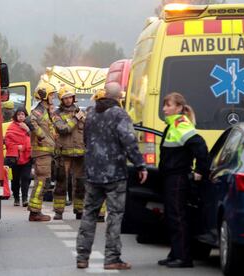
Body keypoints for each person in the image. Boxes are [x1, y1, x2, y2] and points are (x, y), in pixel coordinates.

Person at [76, 83, 147, 270]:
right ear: (119, 97)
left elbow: (85, 140)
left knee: (89, 214)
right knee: (114, 216)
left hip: (92, 173)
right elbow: (129, 140)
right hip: (115, 173)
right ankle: (112, 258)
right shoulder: (119, 114)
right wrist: (140, 164)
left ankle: (82, 257)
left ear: (105, 94)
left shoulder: (91, 113)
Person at [157, 92, 209, 268]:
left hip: (178, 178)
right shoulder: (172, 125)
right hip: (171, 177)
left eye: (168, 105)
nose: (164, 108)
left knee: (178, 217)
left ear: (179, 108)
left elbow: (200, 147)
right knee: (172, 217)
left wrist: (201, 170)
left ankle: (184, 257)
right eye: (164, 105)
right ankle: (175, 253)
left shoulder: (181, 125)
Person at [52, 86, 86, 220]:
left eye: (70, 97)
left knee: (80, 183)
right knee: (61, 182)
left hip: (80, 154)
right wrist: (76, 119)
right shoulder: (57, 114)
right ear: (61, 100)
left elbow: (87, 130)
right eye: (65, 98)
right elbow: (63, 129)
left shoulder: (81, 112)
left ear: (73, 98)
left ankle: (79, 210)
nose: (68, 100)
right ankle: (58, 211)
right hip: (64, 153)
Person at [27, 83, 57, 222]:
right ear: (44, 96)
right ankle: (35, 212)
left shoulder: (46, 111)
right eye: (51, 95)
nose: (53, 97)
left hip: (46, 153)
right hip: (42, 153)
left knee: (44, 182)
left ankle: (36, 211)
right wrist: (41, 135)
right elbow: (29, 121)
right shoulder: (39, 110)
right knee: (41, 182)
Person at [4, 107, 32, 207]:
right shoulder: (11, 127)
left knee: (26, 178)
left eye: (23, 114)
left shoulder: (30, 126)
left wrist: (27, 129)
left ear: (26, 116)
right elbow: (7, 142)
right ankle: (16, 198)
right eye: (19, 114)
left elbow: (35, 139)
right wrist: (17, 147)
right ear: (16, 116)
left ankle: (25, 199)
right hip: (15, 158)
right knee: (15, 179)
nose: (21, 116)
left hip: (27, 157)